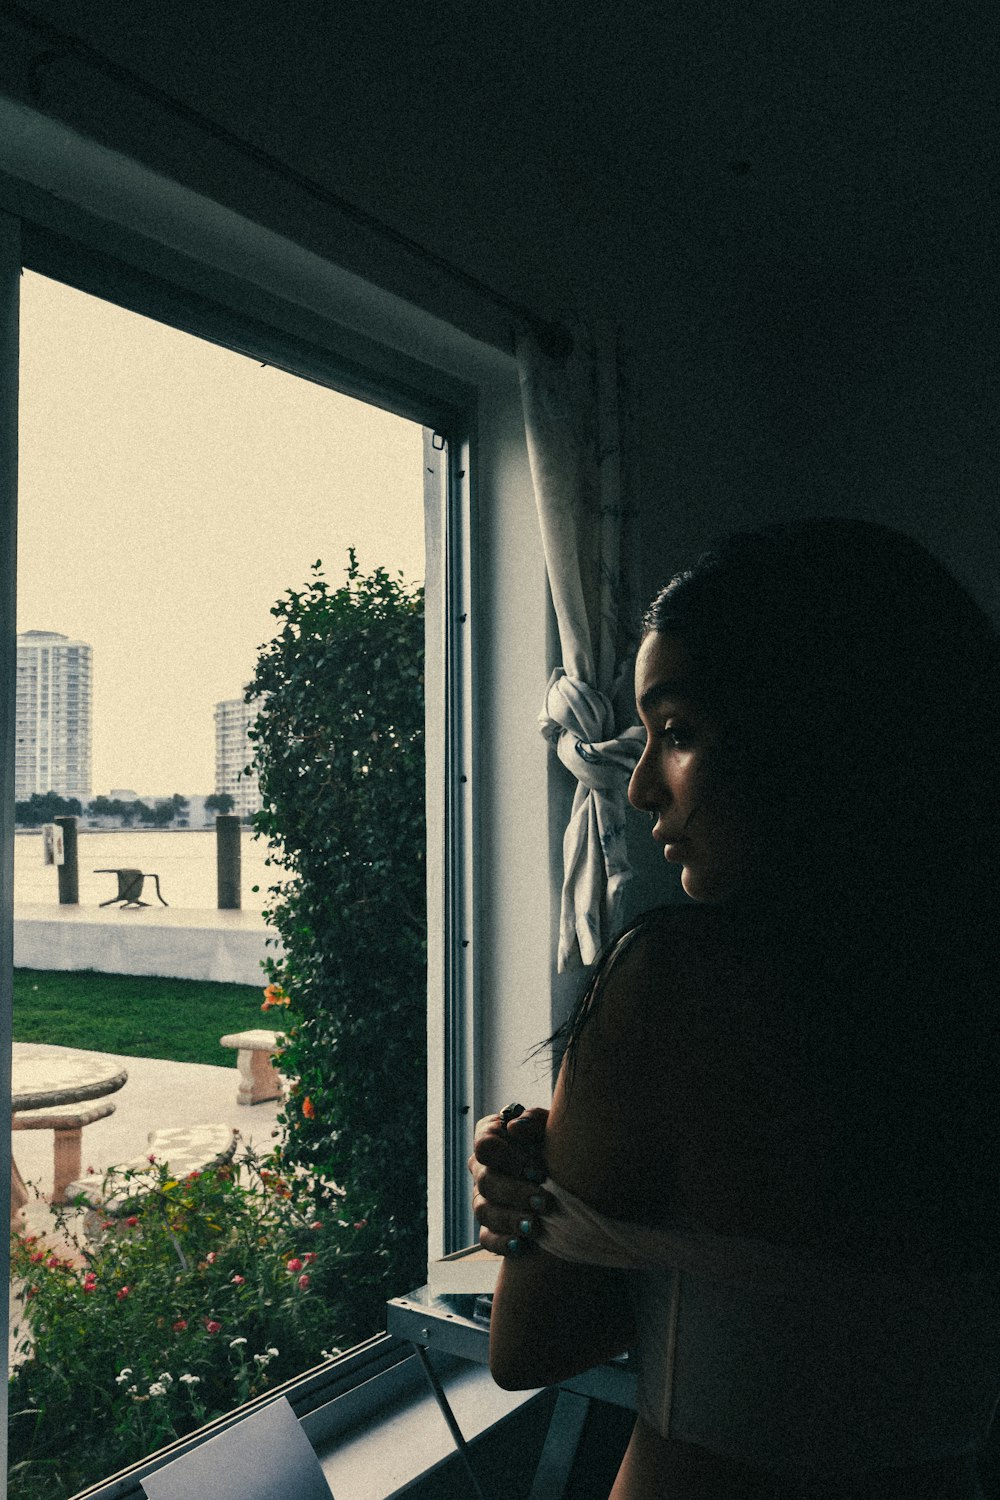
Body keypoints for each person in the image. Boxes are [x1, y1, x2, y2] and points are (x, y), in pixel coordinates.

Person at [470, 519, 1000, 1499]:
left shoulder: (675, 989)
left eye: (676, 733)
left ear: (809, 731)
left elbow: (530, 1345)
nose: (636, 787)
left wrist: (544, 1186)